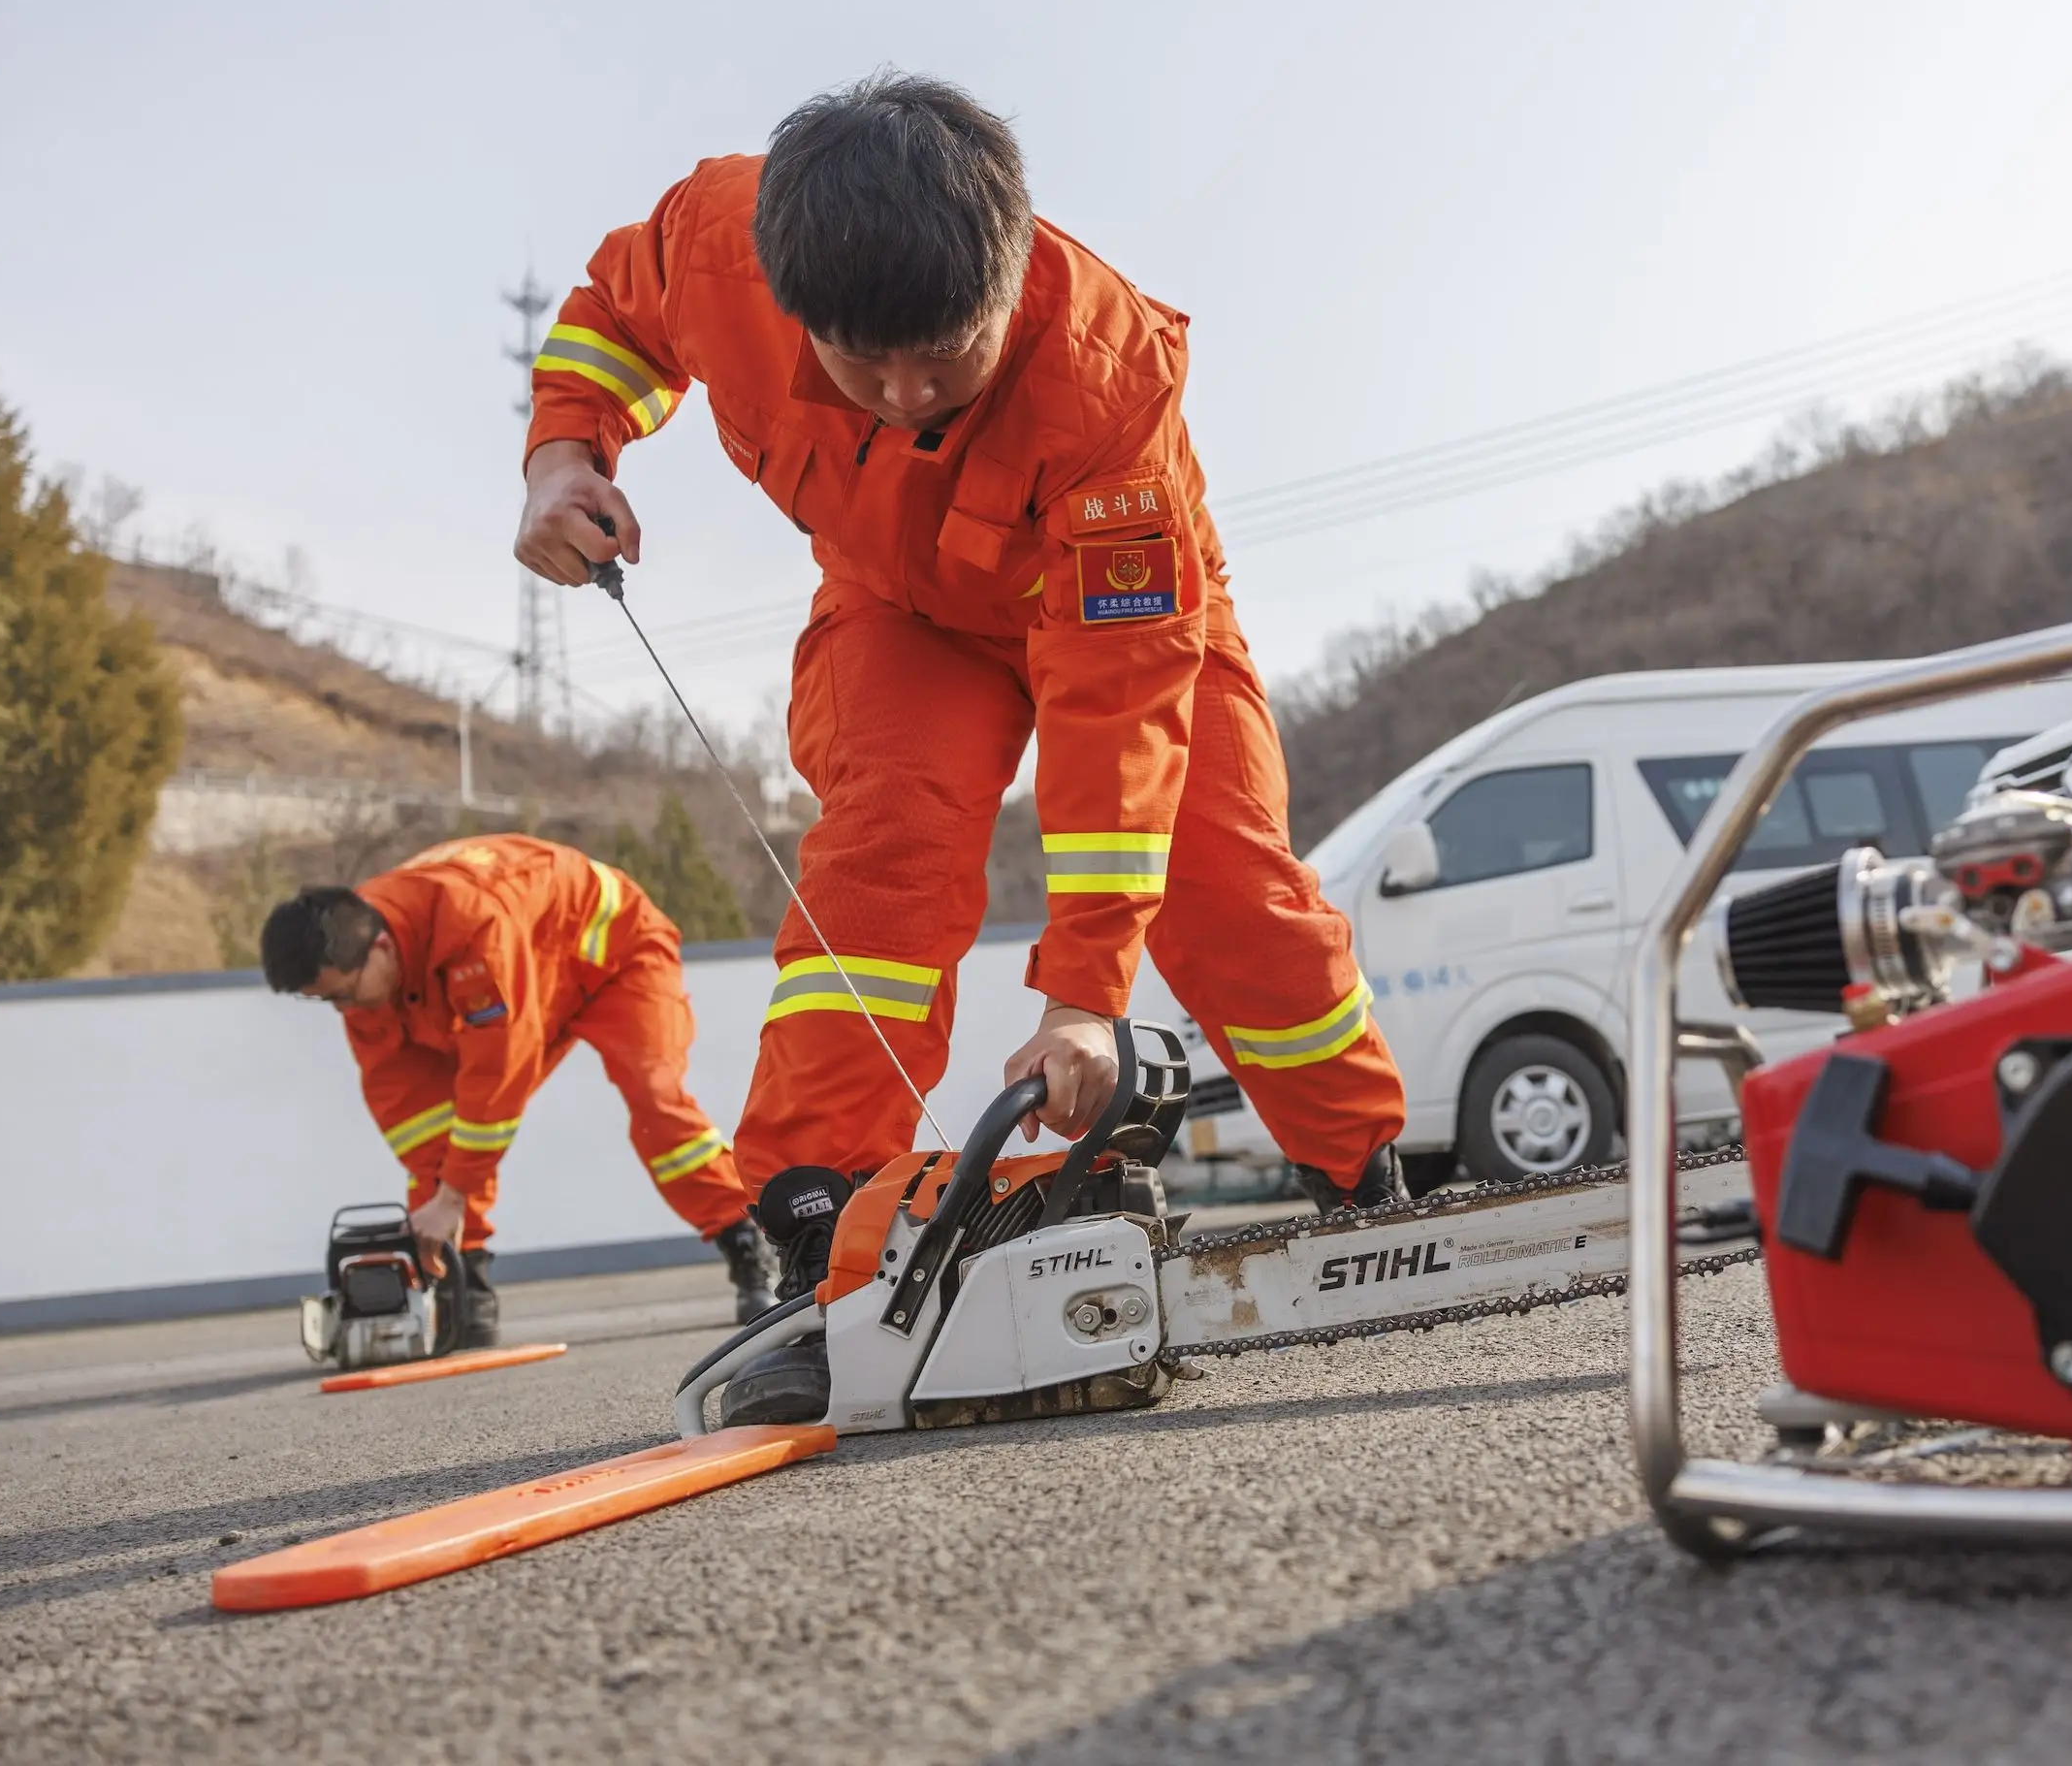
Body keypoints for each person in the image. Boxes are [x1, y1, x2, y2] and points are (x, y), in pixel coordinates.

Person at [514, 73, 1410, 1422]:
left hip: (1115, 612)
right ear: (787, 296)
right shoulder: (720, 237)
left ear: (1011, 271)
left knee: (1225, 888)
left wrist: (1086, 992)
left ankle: (1368, 1188)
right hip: (899, 606)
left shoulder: (1110, 390)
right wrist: (565, 454)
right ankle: (822, 1238)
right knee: (883, 862)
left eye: (945, 354)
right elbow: (611, 316)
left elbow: (1115, 707)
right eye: (859, 361)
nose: (901, 393)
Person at [262, 835, 775, 1342]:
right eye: (327, 1001)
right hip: (533, 972)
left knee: (655, 1099)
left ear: (380, 948)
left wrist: (453, 1196)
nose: (343, 1012)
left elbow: (495, 1081)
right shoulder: (362, 971)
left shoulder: (470, 927)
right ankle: (467, 1280)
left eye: (344, 995)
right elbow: (408, 1111)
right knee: (439, 1141)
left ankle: (745, 1241)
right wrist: (438, 1218)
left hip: (617, 954)